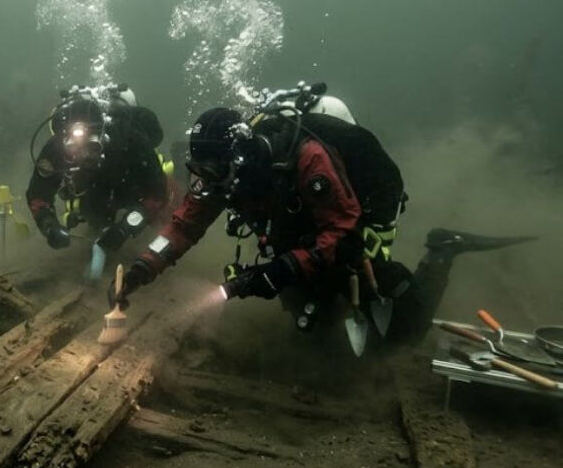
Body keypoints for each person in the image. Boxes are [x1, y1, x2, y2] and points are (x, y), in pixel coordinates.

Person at [111, 84, 533, 345]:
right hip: (297, 240)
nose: (205, 181)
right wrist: (142, 269)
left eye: (213, 170)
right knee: (310, 331)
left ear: (238, 157)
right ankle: (319, 300)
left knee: (402, 330)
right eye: (198, 171)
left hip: (344, 228)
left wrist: (277, 271)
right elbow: (182, 226)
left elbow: (340, 229)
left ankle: (441, 251)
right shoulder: (222, 176)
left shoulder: (307, 160)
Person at [26, 84, 172, 255]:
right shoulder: (56, 147)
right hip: (93, 193)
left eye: (91, 145)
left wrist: (125, 228)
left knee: (161, 216)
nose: (83, 154)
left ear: (104, 135)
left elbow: (156, 195)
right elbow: (38, 192)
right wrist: (49, 225)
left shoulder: (130, 140)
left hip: (130, 185)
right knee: (94, 217)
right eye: (75, 147)